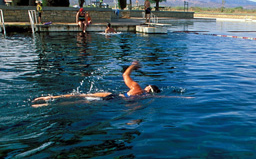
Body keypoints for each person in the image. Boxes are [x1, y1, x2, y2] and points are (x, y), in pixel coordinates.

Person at [32, 61, 160, 104]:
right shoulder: (144, 98)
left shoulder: (137, 87)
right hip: (115, 103)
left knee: (79, 96)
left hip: (113, 96)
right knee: (82, 101)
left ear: (148, 87)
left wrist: (133, 65)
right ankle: (49, 104)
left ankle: (49, 98)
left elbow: (125, 74)